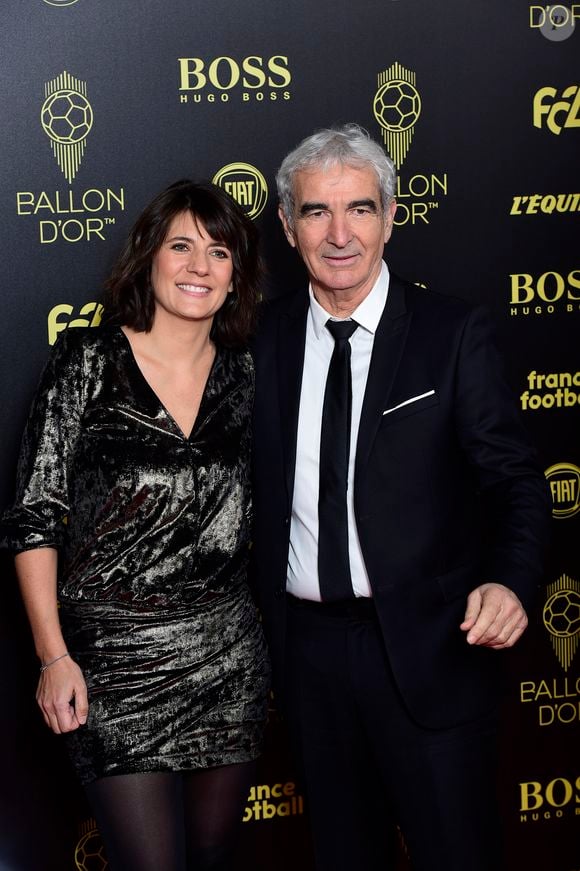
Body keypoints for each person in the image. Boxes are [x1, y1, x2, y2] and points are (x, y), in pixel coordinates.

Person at [250, 125, 552, 871]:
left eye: (359, 208)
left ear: (391, 215)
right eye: (316, 212)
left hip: (432, 647)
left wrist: (512, 581)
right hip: (308, 655)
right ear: (288, 228)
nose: (340, 232)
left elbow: (515, 480)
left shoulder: (451, 333)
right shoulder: (260, 337)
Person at [1, 179, 270, 871]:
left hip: (227, 658)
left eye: (218, 252)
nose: (198, 266)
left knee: (212, 854)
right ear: (148, 257)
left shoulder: (250, 376)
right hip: (113, 664)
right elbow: (36, 515)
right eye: (181, 245)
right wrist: (53, 655)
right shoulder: (86, 362)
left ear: (237, 276)